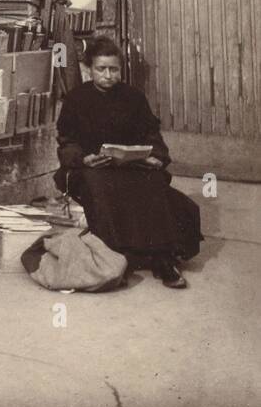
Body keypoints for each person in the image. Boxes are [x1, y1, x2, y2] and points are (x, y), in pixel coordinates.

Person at [54, 36, 201, 288]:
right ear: (90, 69)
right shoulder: (76, 99)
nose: (108, 75)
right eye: (102, 69)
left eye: (114, 69)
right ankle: (116, 259)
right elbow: (66, 141)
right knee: (100, 187)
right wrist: (83, 158)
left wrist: (156, 156)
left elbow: (151, 134)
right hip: (92, 168)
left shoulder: (133, 97)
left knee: (153, 182)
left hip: (131, 167)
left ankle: (162, 258)